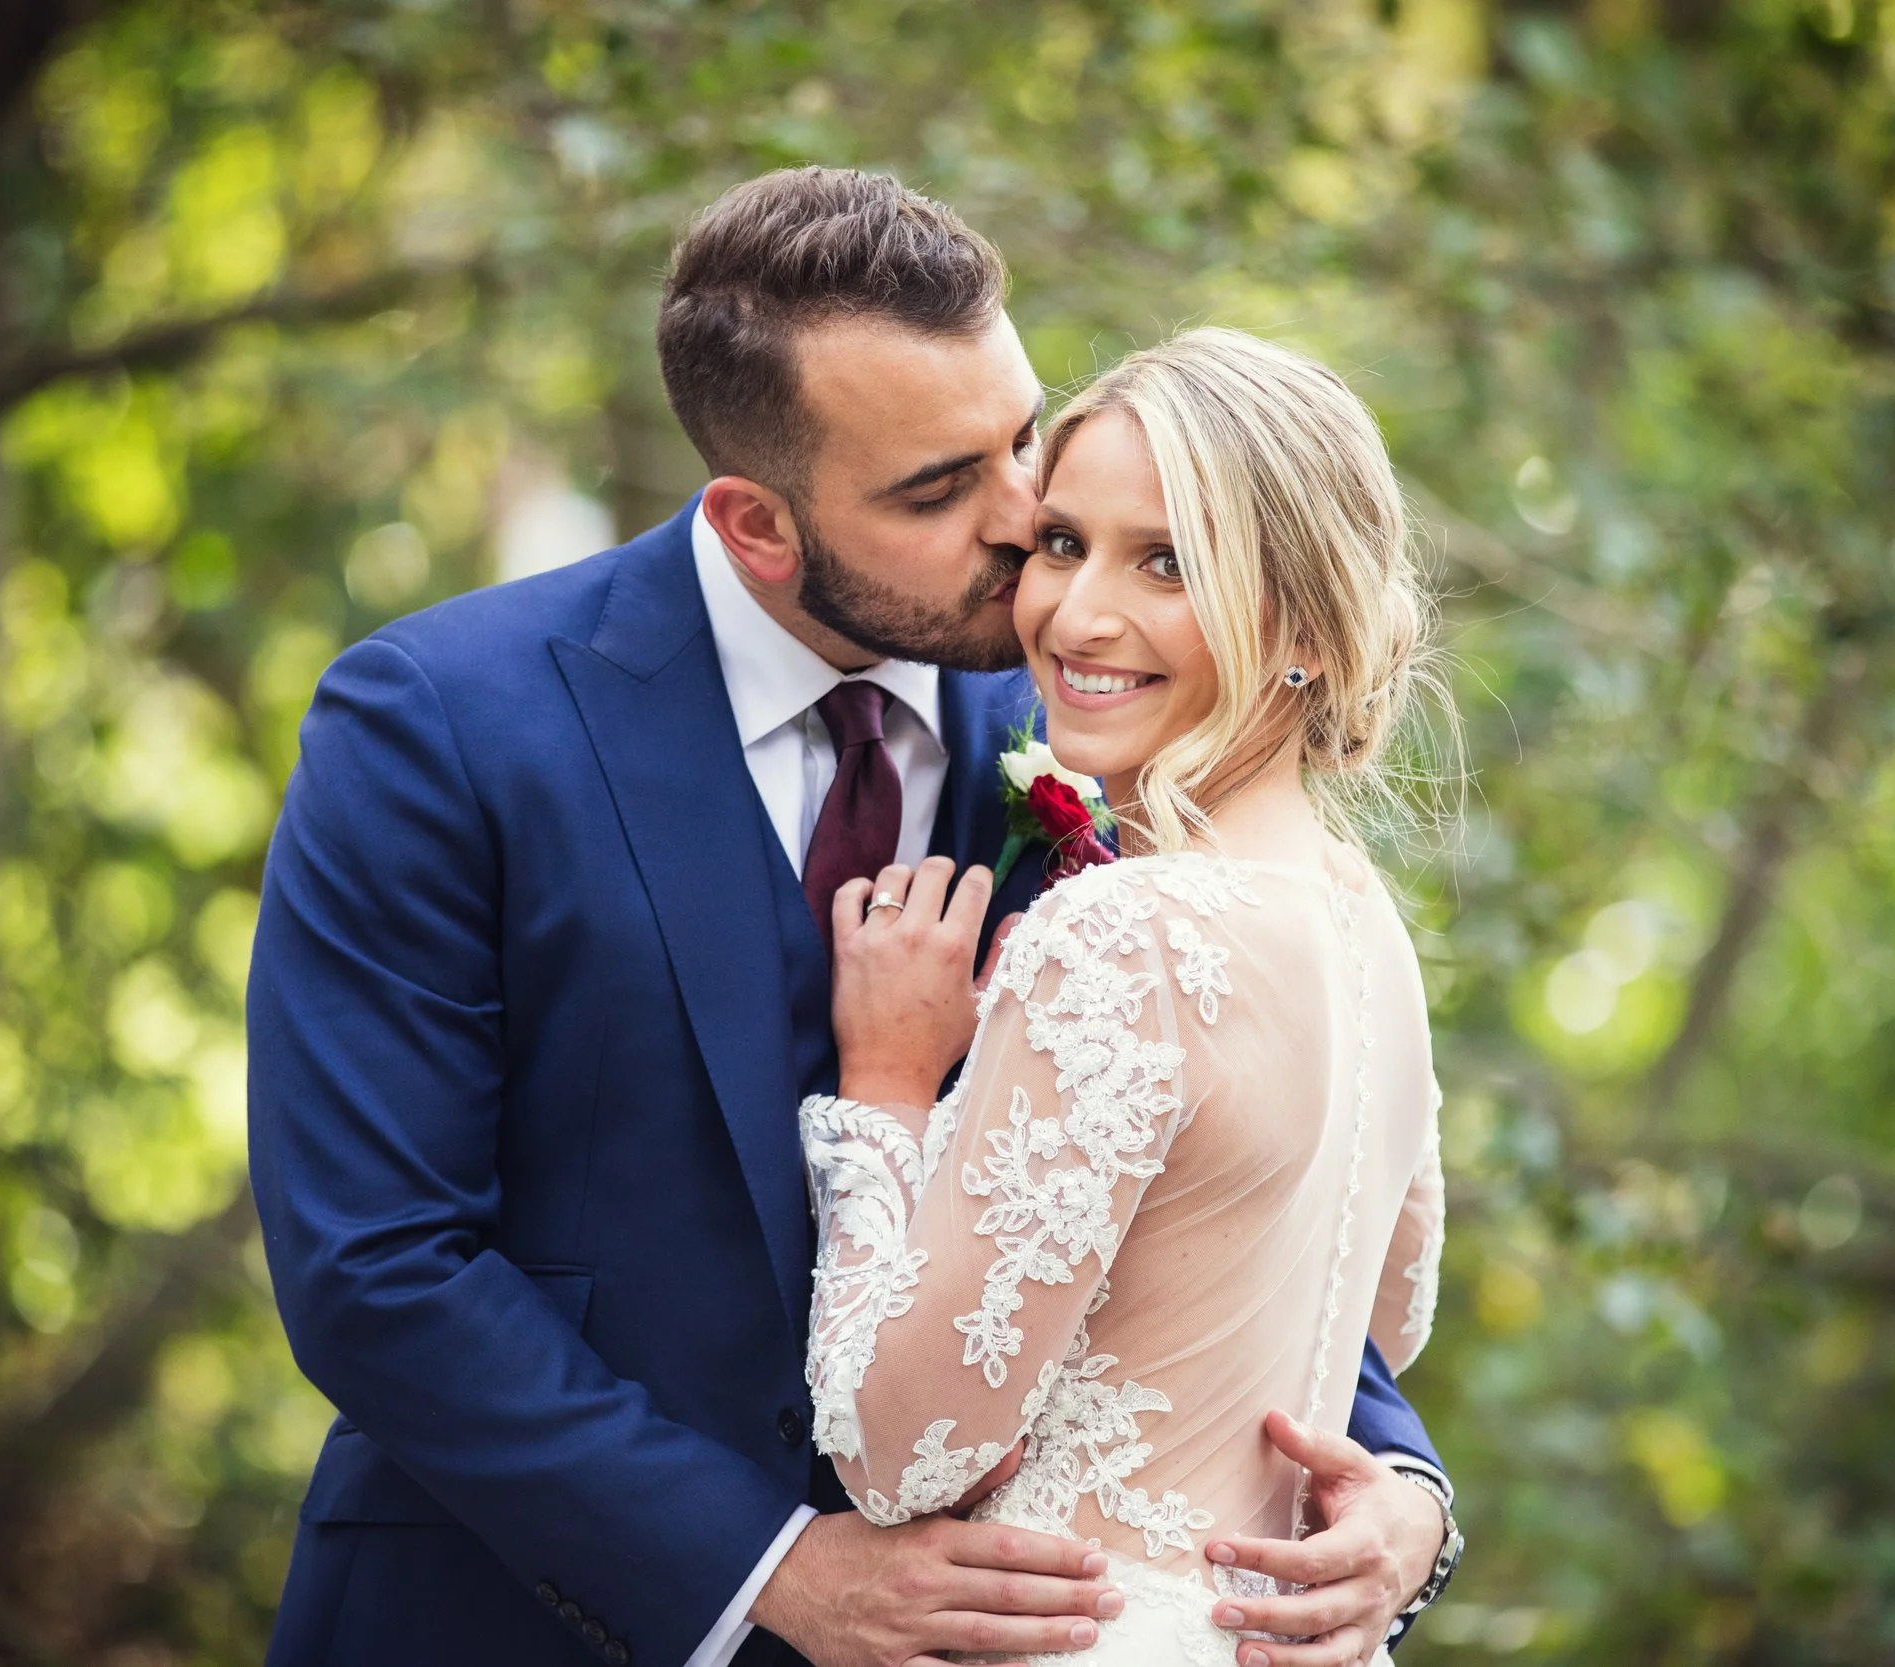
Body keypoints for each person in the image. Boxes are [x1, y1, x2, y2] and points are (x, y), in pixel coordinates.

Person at [248, 169, 1453, 1667]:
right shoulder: (439, 724)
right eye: (941, 489)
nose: (1029, 526)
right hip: (517, 1623)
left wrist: (1401, 1485)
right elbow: (377, 1266)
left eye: (1019, 439)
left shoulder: (1101, 716)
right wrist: (767, 1569)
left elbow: (1216, 1170)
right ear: (758, 522)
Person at [800, 327, 1458, 1667]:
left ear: (1307, 626)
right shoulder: (1363, 918)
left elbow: (896, 1448)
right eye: (1061, 543)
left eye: (1167, 563)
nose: (1077, 615)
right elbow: (1388, 1319)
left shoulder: (1123, 927)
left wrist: (884, 1086)